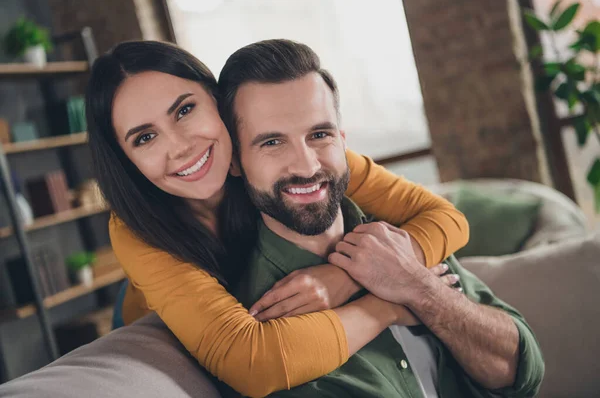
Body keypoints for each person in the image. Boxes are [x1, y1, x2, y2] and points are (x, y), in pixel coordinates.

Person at [86, 40, 469, 397]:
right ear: (125, 159)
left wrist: (345, 277)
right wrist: (390, 303)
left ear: (216, 102)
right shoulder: (133, 230)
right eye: (144, 138)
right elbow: (253, 363)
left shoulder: (294, 160)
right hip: (160, 308)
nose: (180, 147)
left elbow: (444, 217)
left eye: (185, 111)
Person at [221, 38, 544, 397]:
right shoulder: (258, 322)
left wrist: (421, 290)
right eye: (272, 143)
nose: (307, 165)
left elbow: (520, 369)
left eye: (319, 134)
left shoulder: (403, 239)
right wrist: (392, 302)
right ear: (234, 161)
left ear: (342, 140)